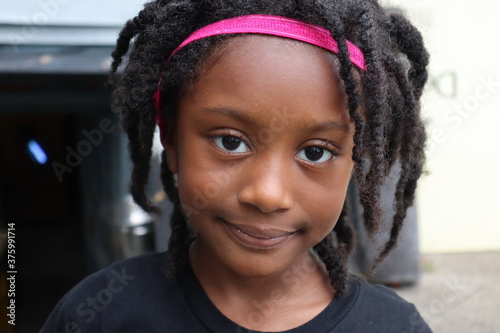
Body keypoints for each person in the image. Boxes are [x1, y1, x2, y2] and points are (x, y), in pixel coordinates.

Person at [41, 0, 431, 332]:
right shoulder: (100, 314)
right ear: (172, 140)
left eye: (316, 152)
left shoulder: (391, 326)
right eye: (231, 141)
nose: (267, 194)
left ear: (355, 163)